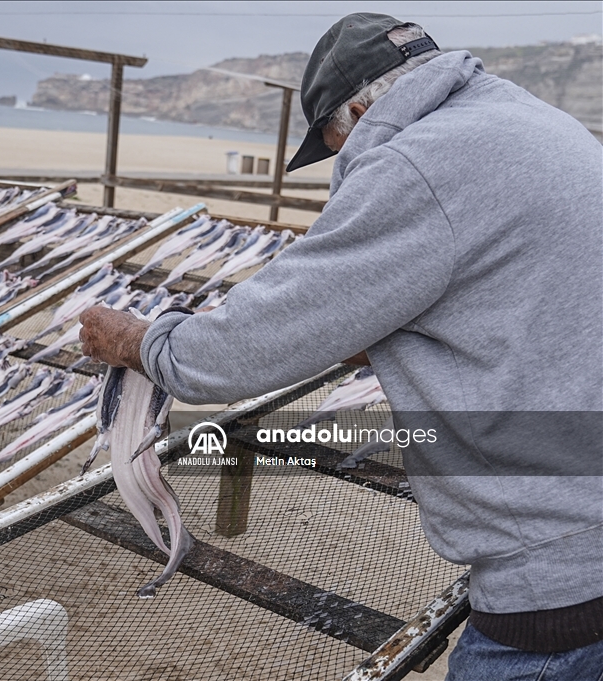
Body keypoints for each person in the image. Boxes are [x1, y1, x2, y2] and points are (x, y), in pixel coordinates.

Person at [78, 13, 602, 680]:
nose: (341, 163)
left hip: (559, 584)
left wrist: (138, 340)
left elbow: (239, 352)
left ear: (360, 107)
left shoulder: (421, 165)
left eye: (334, 142)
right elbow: (510, 300)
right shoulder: (534, 123)